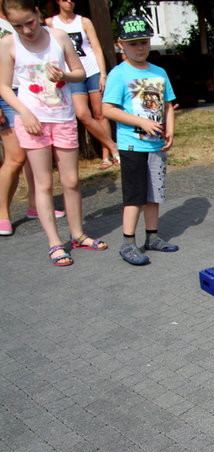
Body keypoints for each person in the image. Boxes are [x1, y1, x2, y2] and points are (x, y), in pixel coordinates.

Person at [0, 0, 107, 265]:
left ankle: (78, 234)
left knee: (71, 181)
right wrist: (23, 113)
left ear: (38, 13)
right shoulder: (8, 44)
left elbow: (79, 72)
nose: (26, 30)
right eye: (18, 25)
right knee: (44, 184)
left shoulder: (58, 37)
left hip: (63, 117)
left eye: (30, 22)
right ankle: (54, 243)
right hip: (32, 121)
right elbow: (3, 86)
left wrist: (65, 76)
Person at [101, 15, 177, 266]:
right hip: (132, 145)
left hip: (155, 145)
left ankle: (152, 237)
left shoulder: (159, 72)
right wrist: (141, 122)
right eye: (134, 43)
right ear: (120, 44)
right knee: (135, 195)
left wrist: (170, 130)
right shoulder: (118, 74)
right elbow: (108, 110)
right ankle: (128, 243)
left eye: (144, 42)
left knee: (154, 194)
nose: (140, 47)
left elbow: (168, 105)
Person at [0, 11, 65, 236]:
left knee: (32, 154)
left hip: (35, 90)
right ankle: (2, 214)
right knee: (15, 157)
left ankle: (35, 205)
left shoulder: (30, 18)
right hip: (8, 94)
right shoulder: (8, 31)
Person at [46, 0, 118, 169]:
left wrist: (102, 74)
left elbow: (96, 48)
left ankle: (106, 156)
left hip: (92, 71)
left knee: (100, 114)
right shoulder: (50, 23)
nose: (70, 2)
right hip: (71, 74)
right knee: (82, 114)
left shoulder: (84, 21)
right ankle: (112, 145)